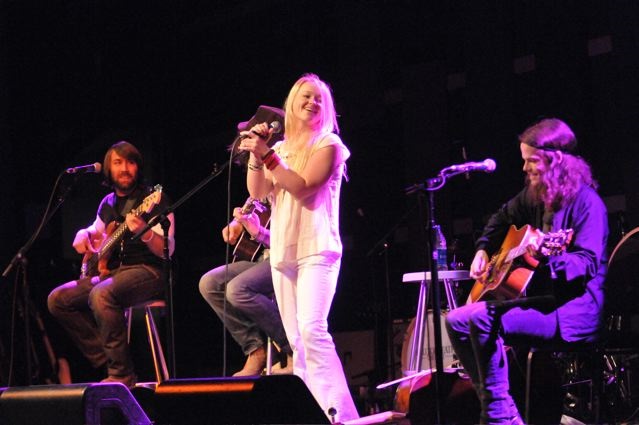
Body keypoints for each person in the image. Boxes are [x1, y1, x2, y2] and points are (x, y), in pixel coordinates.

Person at [445, 118, 608, 424]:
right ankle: (504, 412)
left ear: (555, 160)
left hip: (573, 312)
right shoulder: (536, 196)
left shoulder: (588, 204)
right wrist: (483, 249)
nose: (524, 168)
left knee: (480, 319)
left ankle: (496, 416)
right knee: (456, 319)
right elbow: (500, 218)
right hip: (543, 302)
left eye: (531, 160)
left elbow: (586, 263)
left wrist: (548, 257)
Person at [238, 73, 359, 423]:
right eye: (305, 96)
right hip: (284, 252)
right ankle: (311, 414)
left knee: (312, 330)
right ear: (291, 103)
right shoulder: (280, 149)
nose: (312, 102)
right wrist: (258, 155)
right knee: (297, 341)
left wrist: (267, 155)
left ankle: (342, 415)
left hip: (317, 250)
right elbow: (258, 193)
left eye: (319, 98)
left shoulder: (329, 144)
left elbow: (304, 186)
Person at [48, 141, 175, 388]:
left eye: (130, 162)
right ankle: (109, 357)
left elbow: (168, 249)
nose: (124, 168)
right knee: (58, 300)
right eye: (118, 163)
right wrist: (83, 234)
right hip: (114, 273)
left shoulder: (154, 199)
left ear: (138, 167)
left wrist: (146, 233)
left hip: (149, 271)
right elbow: (95, 231)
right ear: (108, 169)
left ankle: (121, 373)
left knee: (101, 294)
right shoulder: (107, 203)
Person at [199, 199, 293, 376]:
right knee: (209, 283)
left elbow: (290, 243)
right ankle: (256, 349)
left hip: (287, 259)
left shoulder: (290, 191)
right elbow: (252, 205)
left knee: (237, 290)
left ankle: (292, 348)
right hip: (262, 259)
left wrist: (258, 232)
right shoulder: (265, 190)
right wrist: (237, 223)